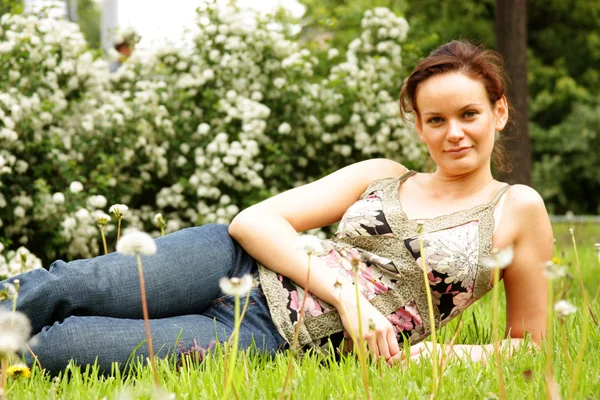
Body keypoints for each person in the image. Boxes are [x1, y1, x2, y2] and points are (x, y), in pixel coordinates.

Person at [0, 40, 552, 375]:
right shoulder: (382, 175)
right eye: (436, 120)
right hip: (232, 262)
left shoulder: (517, 209)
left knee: (60, 348)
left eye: (469, 114)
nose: (453, 133)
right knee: (72, 285)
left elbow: (528, 347)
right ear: (420, 127)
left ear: (499, 112)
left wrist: (434, 358)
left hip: (274, 337)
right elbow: (254, 221)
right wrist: (351, 297)